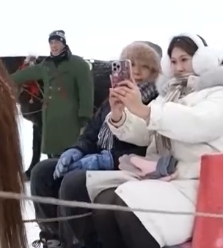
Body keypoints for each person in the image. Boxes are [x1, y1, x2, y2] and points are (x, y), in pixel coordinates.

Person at [62, 34, 223, 248]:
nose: (179, 67)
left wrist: (144, 110)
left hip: (197, 184)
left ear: (203, 59)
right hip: (163, 176)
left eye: (184, 59)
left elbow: (201, 123)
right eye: (173, 61)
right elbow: (146, 132)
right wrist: (119, 115)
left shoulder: (218, 92)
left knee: (127, 204)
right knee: (104, 201)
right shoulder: (169, 94)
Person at [29, 41, 162, 247]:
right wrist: (77, 150)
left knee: (74, 182)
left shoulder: (154, 103)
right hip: (96, 158)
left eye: (144, 67)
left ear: (154, 72)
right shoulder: (113, 97)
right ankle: (52, 237)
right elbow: (92, 132)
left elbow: (147, 147)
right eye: (131, 64)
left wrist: (107, 160)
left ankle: (79, 242)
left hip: (126, 167)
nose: (136, 71)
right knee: (43, 172)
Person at [10, 30, 95, 175]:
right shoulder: (46, 65)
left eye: (57, 42)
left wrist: (84, 115)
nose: (54, 45)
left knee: (69, 152)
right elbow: (26, 74)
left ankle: (67, 179)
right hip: (51, 117)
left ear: (63, 44)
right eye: (51, 42)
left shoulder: (78, 64)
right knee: (53, 155)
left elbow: (86, 91)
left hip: (70, 118)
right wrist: (3, 79)